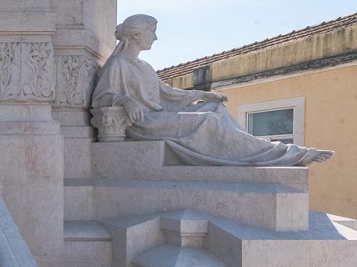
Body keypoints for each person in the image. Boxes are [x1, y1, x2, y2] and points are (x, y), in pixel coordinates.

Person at [91, 14, 332, 166]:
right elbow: (102, 97)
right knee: (208, 120)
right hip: (145, 123)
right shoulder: (118, 64)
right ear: (136, 35)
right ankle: (280, 153)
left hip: (160, 115)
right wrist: (124, 100)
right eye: (151, 32)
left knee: (214, 108)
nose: (155, 38)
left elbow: (168, 93)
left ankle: (255, 148)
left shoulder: (144, 65)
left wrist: (203, 95)